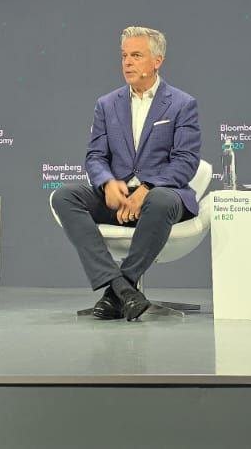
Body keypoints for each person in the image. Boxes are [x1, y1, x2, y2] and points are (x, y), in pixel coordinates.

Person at [51, 26, 201, 321]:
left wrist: (147, 188)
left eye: (136, 55)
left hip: (163, 196)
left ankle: (116, 292)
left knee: (159, 199)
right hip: (119, 197)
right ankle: (124, 290)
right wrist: (107, 182)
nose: (128, 62)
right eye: (124, 56)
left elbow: (186, 161)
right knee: (64, 196)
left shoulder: (182, 104)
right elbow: (95, 156)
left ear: (157, 61)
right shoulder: (106, 104)